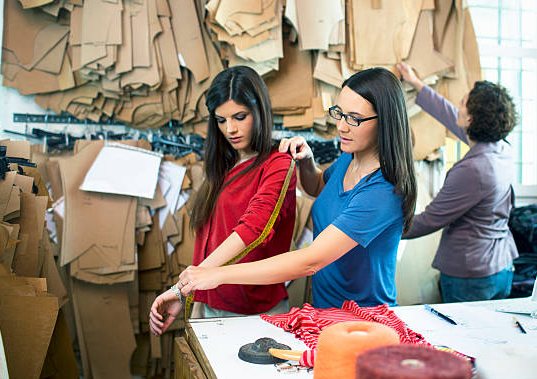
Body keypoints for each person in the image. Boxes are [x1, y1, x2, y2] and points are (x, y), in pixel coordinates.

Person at [149, 67, 417, 336]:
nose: (341, 126)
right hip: (325, 311)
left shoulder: (382, 192)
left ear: (386, 120)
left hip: (362, 321)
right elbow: (319, 189)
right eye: (339, 113)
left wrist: (214, 274)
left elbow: (310, 260)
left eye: (354, 118)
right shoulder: (351, 157)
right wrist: (307, 162)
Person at [149, 66, 297, 332]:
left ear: (259, 111)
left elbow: (254, 229)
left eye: (240, 117)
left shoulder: (278, 164)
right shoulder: (224, 164)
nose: (230, 129)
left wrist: (183, 288)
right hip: (209, 302)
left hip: (252, 313)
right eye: (221, 120)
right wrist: (189, 293)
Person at [396, 62, 519, 303]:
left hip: (471, 275)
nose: (458, 105)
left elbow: (429, 220)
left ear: (472, 120)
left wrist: (377, 226)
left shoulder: (472, 170)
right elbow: (451, 116)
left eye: (463, 102)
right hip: (501, 266)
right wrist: (416, 84)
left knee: (463, 339)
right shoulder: (500, 147)